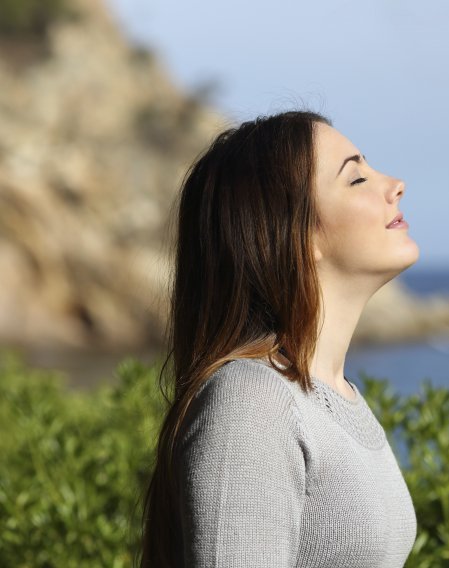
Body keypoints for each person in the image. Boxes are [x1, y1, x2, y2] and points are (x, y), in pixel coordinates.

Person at [139, 110, 420, 567]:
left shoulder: (336, 398)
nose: (395, 184)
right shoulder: (251, 403)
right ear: (297, 232)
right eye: (356, 179)